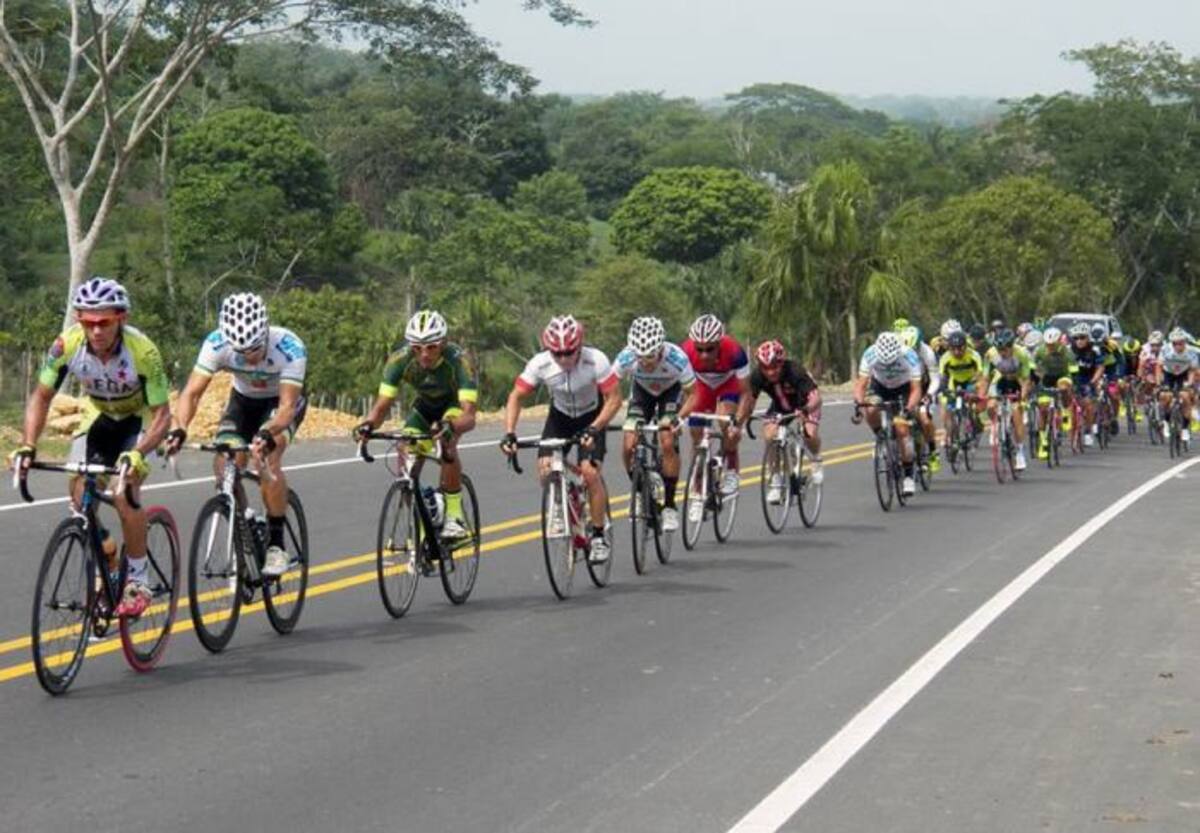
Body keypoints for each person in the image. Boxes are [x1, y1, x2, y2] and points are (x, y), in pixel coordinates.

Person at [11, 277, 171, 617]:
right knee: (79, 490)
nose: (95, 331)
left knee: (122, 492)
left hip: (137, 419)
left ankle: (138, 580)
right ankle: (109, 554)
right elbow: (40, 397)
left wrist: (138, 453)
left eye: (104, 322)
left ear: (121, 319)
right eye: (87, 322)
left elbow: (162, 417)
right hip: (99, 413)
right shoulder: (67, 344)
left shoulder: (144, 353)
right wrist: (28, 445)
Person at [167, 293, 307, 577]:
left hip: (279, 405)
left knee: (269, 456)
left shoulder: (290, 348)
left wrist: (267, 434)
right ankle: (243, 518)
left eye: (254, 349)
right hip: (243, 401)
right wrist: (179, 426)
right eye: (240, 352)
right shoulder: (216, 344)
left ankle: (276, 545)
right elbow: (191, 394)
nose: (248, 357)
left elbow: (286, 408)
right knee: (225, 462)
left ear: (265, 332)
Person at [500, 315, 621, 563]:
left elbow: (614, 399)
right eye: (558, 353)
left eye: (569, 352)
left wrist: (595, 428)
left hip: (592, 417)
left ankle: (598, 536)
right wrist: (510, 432)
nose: (564, 358)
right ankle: (559, 503)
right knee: (545, 467)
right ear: (549, 350)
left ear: (579, 346)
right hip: (560, 417)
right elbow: (516, 397)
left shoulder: (595, 360)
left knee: (589, 472)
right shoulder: (540, 364)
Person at [354, 310, 478, 539]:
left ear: (443, 343)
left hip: (453, 408)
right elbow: (382, 405)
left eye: (431, 347)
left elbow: (469, 416)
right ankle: (423, 516)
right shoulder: (399, 360)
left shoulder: (460, 361)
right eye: (417, 348)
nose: (424, 354)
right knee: (406, 455)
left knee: (446, 441)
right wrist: (368, 425)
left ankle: (453, 516)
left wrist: (451, 427)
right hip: (424, 408)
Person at [612, 317, 697, 533]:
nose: (644, 362)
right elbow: (608, 388)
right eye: (640, 357)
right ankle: (639, 492)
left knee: (667, 441)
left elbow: (694, 395)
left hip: (670, 393)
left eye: (650, 356)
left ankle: (669, 505)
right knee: (628, 444)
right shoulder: (625, 358)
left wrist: (681, 417)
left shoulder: (677, 358)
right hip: (642, 394)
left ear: (660, 349)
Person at [680, 314, 753, 523]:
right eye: (699, 349)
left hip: (727, 385)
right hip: (701, 387)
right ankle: (697, 492)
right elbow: (683, 389)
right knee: (696, 436)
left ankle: (731, 467)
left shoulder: (735, 352)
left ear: (720, 344)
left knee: (725, 421)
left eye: (710, 349)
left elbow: (746, 393)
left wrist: (737, 423)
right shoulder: (685, 351)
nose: (703, 355)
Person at [750, 339, 823, 504]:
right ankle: (775, 480)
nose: (770, 372)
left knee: (809, 433)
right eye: (765, 368)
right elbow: (750, 401)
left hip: (806, 404)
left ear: (782, 363)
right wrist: (743, 419)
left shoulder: (794, 370)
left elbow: (816, 399)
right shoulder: (757, 375)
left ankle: (816, 459)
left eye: (775, 366)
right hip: (781, 406)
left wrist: (806, 410)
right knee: (769, 434)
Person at [852, 331, 923, 496]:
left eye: (891, 361)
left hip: (904, 389)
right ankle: (881, 438)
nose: (888, 364)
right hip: (880, 387)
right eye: (885, 362)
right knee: (870, 409)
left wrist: (909, 408)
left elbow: (916, 389)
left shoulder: (909, 355)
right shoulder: (870, 353)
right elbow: (860, 385)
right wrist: (859, 404)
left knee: (902, 429)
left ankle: (908, 476)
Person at [984, 328, 1033, 470]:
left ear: (1011, 346)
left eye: (1005, 349)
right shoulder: (990, 354)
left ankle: (1019, 451)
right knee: (991, 405)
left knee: (1017, 411)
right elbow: (986, 378)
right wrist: (983, 395)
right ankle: (996, 425)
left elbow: (1025, 381)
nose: (1002, 353)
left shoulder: (1022, 354)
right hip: (1000, 380)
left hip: (1017, 381)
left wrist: (1022, 398)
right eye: (999, 349)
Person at [937, 330, 988, 458]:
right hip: (954, 383)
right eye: (953, 349)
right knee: (949, 412)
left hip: (971, 381)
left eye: (960, 349)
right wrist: (943, 390)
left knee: (972, 403)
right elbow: (943, 377)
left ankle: (975, 421)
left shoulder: (973, 355)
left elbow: (980, 374)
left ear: (965, 346)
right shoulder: (945, 358)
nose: (957, 352)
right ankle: (952, 440)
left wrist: (974, 389)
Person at [899, 325, 941, 472]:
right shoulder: (899, 350)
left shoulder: (927, 352)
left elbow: (935, 379)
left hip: (925, 386)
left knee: (924, 418)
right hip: (907, 386)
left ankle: (933, 452)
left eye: (914, 348)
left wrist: (928, 395)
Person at [1032, 326, 1073, 459]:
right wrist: (1034, 381)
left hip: (1063, 375)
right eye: (1047, 344)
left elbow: (1074, 370)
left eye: (1052, 345)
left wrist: (1074, 383)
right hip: (1047, 378)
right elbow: (1033, 367)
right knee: (1043, 409)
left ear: (1059, 342)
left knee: (1063, 387)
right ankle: (1043, 441)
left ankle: (1066, 411)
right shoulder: (1040, 351)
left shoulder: (1067, 352)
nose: (1049, 347)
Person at [1155, 328, 1199, 443]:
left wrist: (1189, 384)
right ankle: (1166, 422)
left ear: (1185, 342)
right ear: (1172, 343)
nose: (1178, 346)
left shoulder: (1191, 351)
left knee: (1185, 397)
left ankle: (1184, 428)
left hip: (1184, 374)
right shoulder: (1165, 349)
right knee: (1165, 396)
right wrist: (1159, 383)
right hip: (1168, 373)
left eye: (1181, 343)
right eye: (1175, 343)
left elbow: (1192, 370)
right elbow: (1159, 367)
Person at [1066, 322, 1105, 446]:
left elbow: (1100, 367)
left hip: (1088, 379)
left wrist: (1094, 381)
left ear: (1088, 338)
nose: (1079, 341)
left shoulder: (1095, 350)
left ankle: (1088, 431)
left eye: (1082, 337)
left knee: (1088, 405)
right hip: (1072, 379)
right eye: (1076, 338)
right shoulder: (1068, 350)